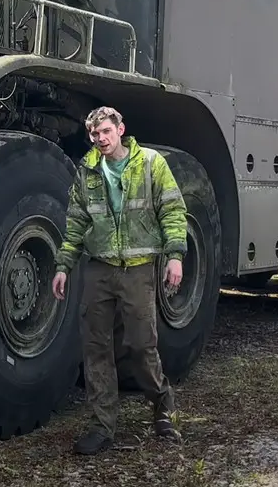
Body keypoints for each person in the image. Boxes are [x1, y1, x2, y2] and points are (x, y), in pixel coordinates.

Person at [52, 105, 187, 454]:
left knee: (142, 346)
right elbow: (76, 222)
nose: (100, 140)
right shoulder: (88, 170)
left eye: (106, 132)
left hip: (139, 267)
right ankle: (102, 427)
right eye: (95, 135)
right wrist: (63, 265)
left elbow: (172, 210)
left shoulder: (151, 164)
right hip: (98, 268)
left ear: (121, 129)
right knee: (96, 349)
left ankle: (162, 406)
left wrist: (174, 255)